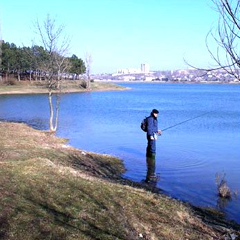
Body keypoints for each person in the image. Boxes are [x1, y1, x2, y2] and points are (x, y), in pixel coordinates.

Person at [145, 109, 162, 183]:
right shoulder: (150, 119)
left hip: (153, 134)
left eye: (157, 114)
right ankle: (152, 161)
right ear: (153, 113)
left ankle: (148, 159)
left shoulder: (154, 119)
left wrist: (158, 131)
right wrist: (151, 135)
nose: (157, 115)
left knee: (150, 147)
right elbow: (149, 128)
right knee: (153, 149)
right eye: (156, 113)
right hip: (151, 135)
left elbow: (154, 128)